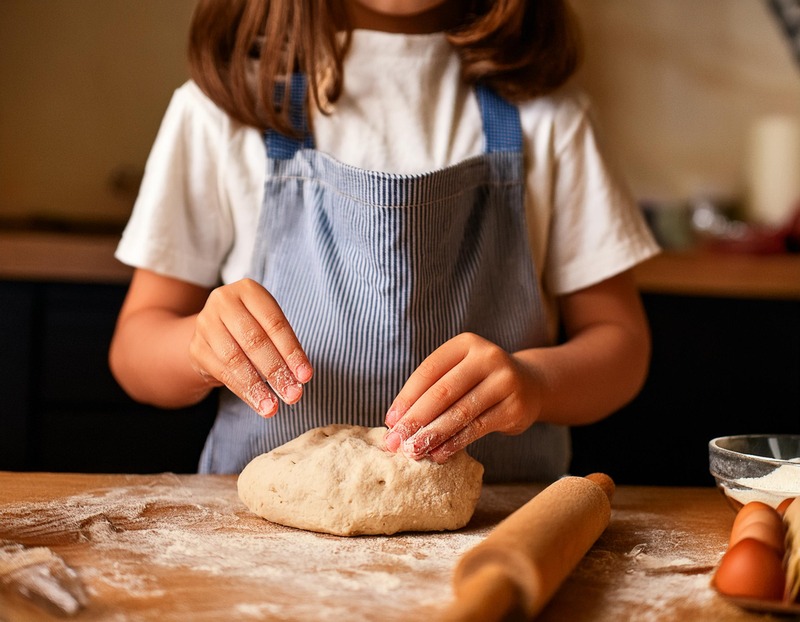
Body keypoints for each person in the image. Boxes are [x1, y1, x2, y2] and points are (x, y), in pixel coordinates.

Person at [109, 0, 660, 482]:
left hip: (501, 529)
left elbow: (621, 345)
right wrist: (200, 350)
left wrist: (536, 383)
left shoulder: (551, 116)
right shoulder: (225, 108)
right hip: (260, 543)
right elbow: (136, 347)